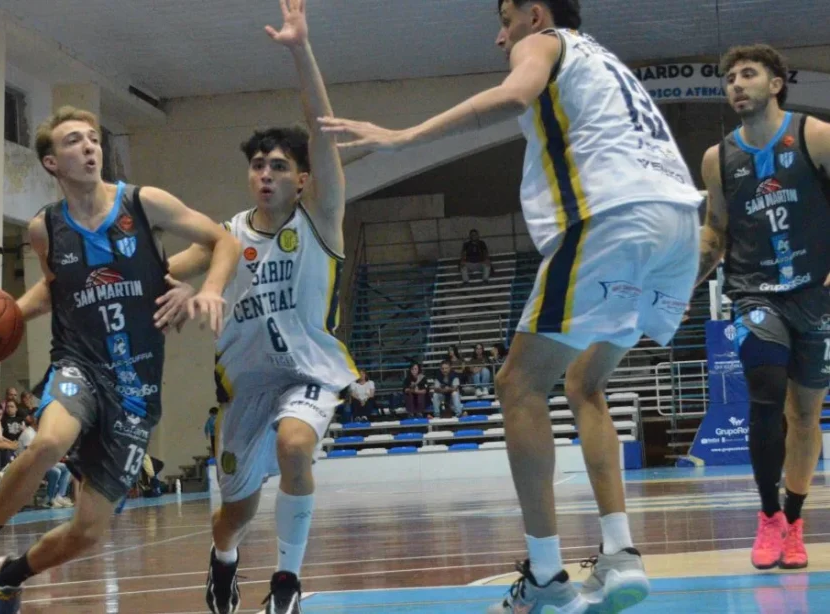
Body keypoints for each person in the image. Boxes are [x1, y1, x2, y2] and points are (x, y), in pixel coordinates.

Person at [320, 2, 704, 611]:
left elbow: (511, 97)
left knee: (518, 385)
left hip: (612, 218)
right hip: (678, 225)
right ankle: (620, 553)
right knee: (586, 384)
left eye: (505, 20)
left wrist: (403, 137)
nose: (502, 38)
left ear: (535, 13)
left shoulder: (547, 42)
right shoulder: (610, 65)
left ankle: (548, 579)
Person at [0, 104, 239, 613]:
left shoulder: (143, 202)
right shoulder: (45, 230)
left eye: (93, 139)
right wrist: (8, 319)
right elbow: (58, 290)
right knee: (46, 444)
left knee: (89, 532)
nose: (88, 147)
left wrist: (206, 289)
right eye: (73, 141)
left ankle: (12, 575)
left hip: (135, 389)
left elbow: (224, 240)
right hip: (78, 364)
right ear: (51, 163)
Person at [167, 5, 356, 612]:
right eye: (258, 165)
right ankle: (224, 565)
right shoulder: (225, 236)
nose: (267, 173)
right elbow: (162, 274)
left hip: (307, 372)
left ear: (303, 180)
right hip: (243, 389)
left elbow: (321, 129)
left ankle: (287, 581)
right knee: (231, 519)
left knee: (296, 445)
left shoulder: (321, 220)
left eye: (280, 166)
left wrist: (301, 50)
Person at [695, 44, 830, 572]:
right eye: (729, 77)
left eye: (748, 74)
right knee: (767, 394)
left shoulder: (815, 136)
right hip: (753, 293)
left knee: (804, 416)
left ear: (776, 84)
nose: (736, 83)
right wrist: (679, 287)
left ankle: (794, 522)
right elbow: (715, 232)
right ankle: (768, 515)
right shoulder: (718, 158)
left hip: (813, 297)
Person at [17, 415, 73, 508]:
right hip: (28, 465)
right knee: (55, 471)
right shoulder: (28, 433)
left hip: (40, 462)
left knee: (66, 468)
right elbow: (31, 455)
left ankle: (59, 496)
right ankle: (48, 499)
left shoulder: (37, 433)